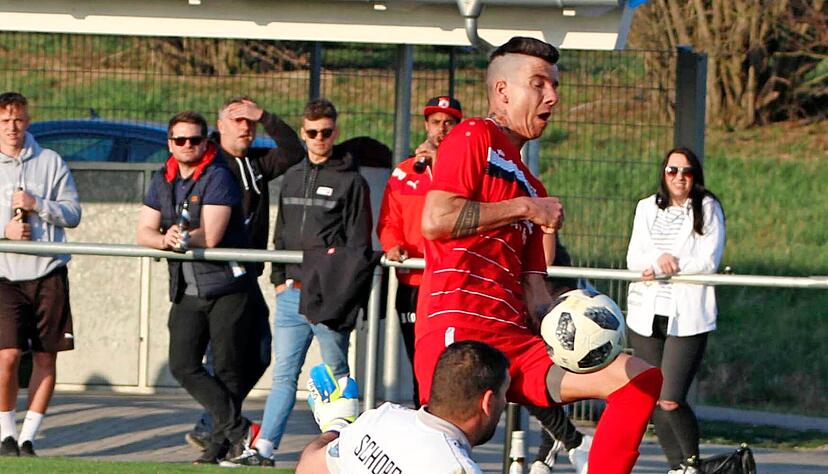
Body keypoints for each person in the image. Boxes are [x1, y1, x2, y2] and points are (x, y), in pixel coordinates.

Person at [415, 36, 663, 474]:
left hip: (516, 342)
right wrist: (527, 209)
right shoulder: (473, 135)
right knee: (442, 462)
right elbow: (437, 219)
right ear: (502, 92)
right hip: (461, 335)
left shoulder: (534, 186)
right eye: (539, 84)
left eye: (554, 86)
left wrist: (582, 323)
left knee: (639, 377)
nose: (552, 97)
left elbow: (534, 294)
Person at [247, 98, 374, 465]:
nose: (319, 139)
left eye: (326, 132)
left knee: (337, 376)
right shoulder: (294, 175)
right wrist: (279, 280)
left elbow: (358, 244)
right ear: (303, 134)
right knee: (284, 373)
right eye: (312, 132)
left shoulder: (351, 181)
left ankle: (345, 449)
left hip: (327, 296)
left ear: (336, 133)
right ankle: (264, 448)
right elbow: (281, 229)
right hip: (291, 293)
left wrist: (341, 293)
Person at [136, 111, 257, 464]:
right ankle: (238, 429)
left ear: (206, 142)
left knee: (227, 369)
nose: (187, 146)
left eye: (194, 140)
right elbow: (143, 231)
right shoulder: (163, 178)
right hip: (187, 289)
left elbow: (212, 235)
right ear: (169, 143)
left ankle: (219, 446)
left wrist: (182, 237)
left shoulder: (219, 175)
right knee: (183, 365)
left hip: (226, 286)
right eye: (179, 140)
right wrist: (164, 239)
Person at [185, 96, 304, 451]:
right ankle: (216, 428)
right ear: (220, 126)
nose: (245, 127)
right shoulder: (211, 163)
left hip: (246, 274)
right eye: (237, 120)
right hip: (217, 276)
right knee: (222, 358)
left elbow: (293, 151)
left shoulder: (256, 163)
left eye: (250, 122)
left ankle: (215, 424)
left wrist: (265, 115)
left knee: (260, 352)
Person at [625, 147, 725, 474]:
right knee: (653, 395)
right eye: (672, 171)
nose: (679, 178)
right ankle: (677, 467)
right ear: (664, 173)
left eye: (686, 172)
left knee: (671, 398)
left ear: (695, 176)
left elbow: (709, 260)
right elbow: (635, 258)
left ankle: (692, 463)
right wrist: (656, 262)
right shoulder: (645, 208)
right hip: (647, 312)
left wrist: (673, 265)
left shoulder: (707, 208)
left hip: (688, 314)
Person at [0, 91, 82, 457]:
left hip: (48, 272)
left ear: (28, 121)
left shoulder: (50, 161)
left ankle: (29, 438)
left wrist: (38, 206)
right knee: (8, 356)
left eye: (18, 120)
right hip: (5, 275)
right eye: (4, 121)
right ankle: (5, 434)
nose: (12, 127)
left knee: (46, 356)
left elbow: (73, 214)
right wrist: (6, 231)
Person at [296, 340, 510, 474]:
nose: (505, 402)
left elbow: (308, 468)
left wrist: (336, 425)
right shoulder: (458, 469)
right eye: (504, 394)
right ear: (488, 402)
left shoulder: (380, 419)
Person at [376, 95, 463, 406]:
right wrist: (393, 245)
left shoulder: (464, 171)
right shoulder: (404, 173)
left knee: (449, 357)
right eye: (436, 122)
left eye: (449, 123)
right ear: (426, 125)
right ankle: (422, 414)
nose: (441, 129)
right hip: (413, 282)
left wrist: (439, 165)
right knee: (419, 357)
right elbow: (388, 219)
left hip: (449, 282)